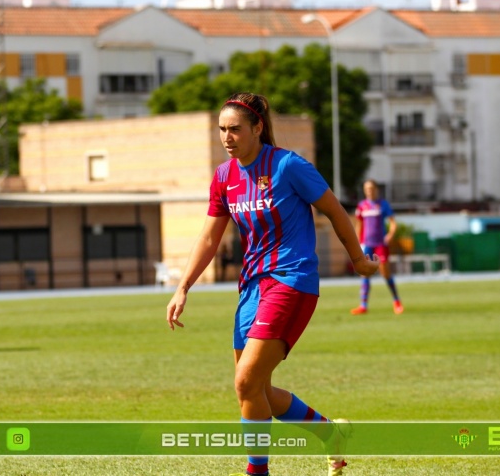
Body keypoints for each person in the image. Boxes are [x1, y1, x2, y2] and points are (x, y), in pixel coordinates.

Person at [165, 92, 379, 476]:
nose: (227, 137)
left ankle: (256, 472)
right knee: (255, 390)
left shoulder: (288, 166)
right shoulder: (224, 177)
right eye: (221, 130)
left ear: (257, 128)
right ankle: (330, 434)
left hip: (292, 281)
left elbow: (333, 211)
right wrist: (183, 286)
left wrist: (359, 259)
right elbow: (210, 237)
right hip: (252, 288)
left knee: (246, 380)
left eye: (235, 129)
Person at [351, 179, 404, 315]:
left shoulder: (382, 204)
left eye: (371, 188)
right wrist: (357, 243)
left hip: (380, 244)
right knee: (365, 273)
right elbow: (359, 225)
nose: (369, 190)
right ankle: (363, 305)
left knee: (385, 272)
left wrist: (390, 234)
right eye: (367, 188)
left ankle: (396, 301)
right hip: (367, 244)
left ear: (376, 189)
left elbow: (393, 222)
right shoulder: (362, 206)